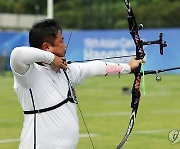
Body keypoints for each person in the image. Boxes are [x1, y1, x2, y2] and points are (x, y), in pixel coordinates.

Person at [10, 19, 142, 149]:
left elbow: (95, 67)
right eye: (61, 41)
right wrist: (51, 58)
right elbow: (17, 55)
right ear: (46, 47)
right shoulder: (30, 74)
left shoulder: (66, 70)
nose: (65, 45)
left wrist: (128, 67)